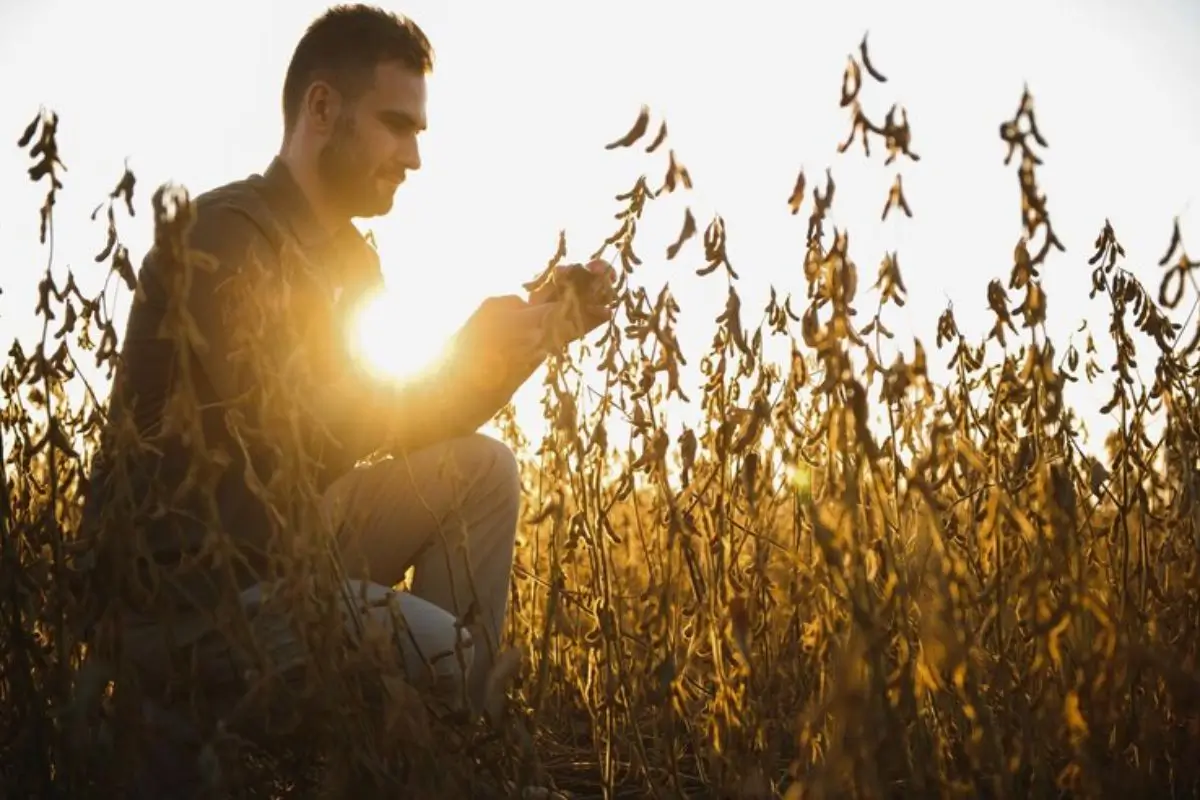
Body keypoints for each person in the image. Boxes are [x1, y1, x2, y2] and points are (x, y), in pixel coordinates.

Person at [78, 4, 614, 795]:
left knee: (482, 470)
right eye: (397, 126)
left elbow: (395, 421)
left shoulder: (354, 265)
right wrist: (469, 349)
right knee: (459, 658)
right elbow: (291, 424)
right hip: (187, 605)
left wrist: (525, 343)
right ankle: (452, 762)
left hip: (285, 554)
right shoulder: (222, 234)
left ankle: (440, 754)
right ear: (323, 109)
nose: (414, 157)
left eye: (418, 132)